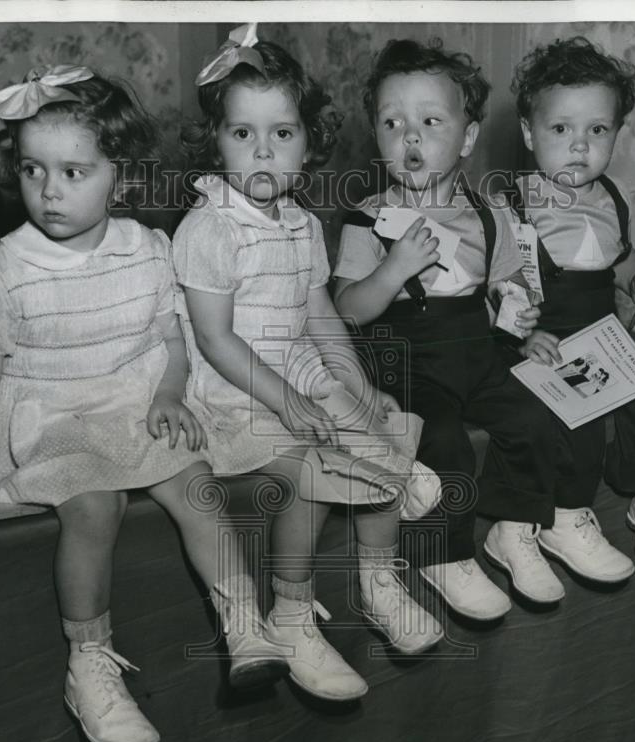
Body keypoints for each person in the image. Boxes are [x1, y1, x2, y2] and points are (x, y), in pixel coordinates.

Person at [0, 65, 288, 742]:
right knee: (95, 504)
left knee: (194, 483)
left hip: (130, 400)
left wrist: (166, 392)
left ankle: (246, 625)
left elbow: (172, 339)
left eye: (74, 172)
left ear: (118, 177)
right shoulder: (3, 271)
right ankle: (89, 661)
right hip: (49, 414)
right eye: (33, 170)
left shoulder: (149, 249)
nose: (49, 191)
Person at [174, 25, 443, 703]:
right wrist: (288, 399)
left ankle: (379, 580)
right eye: (242, 134)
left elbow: (319, 312)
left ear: (309, 141)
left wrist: (352, 377)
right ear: (216, 141)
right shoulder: (209, 226)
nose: (262, 150)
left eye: (282, 134)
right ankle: (290, 616)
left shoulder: (298, 221)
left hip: (294, 369)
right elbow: (215, 340)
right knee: (309, 465)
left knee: (381, 418)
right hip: (234, 390)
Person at [334, 38, 570, 612]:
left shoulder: (489, 213)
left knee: (535, 412)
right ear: (377, 137)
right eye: (393, 122)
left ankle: (514, 529)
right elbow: (346, 310)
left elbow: (505, 288)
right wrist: (392, 270)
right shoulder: (368, 219)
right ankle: (445, 556)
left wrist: (522, 324)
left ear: (466, 138)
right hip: (405, 358)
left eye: (430, 120)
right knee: (443, 440)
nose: (410, 136)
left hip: (476, 351)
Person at [493, 37, 635, 590]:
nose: (579, 145)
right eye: (561, 130)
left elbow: (622, 259)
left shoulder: (609, 199)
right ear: (531, 133)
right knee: (575, 410)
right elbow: (495, 286)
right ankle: (564, 513)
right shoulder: (512, 201)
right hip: (541, 336)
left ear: (615, 136)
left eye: (597, 130)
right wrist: (521, 333)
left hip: (601, 332)